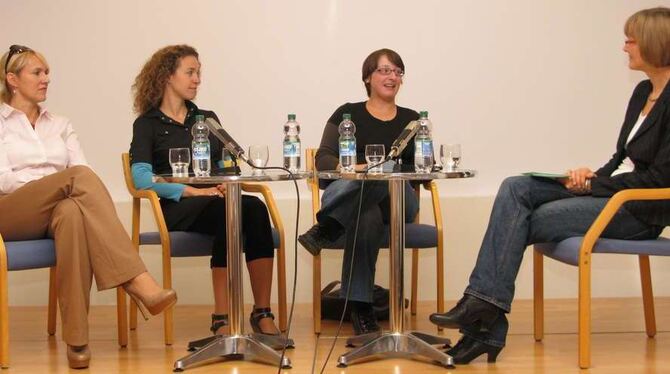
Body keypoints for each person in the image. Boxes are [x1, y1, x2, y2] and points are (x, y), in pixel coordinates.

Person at [429, 7, 670, 364]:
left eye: (630, 40)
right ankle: (484, 312)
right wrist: (590, 176)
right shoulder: (641, 93)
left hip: (640, 209)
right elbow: (620, 157)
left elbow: (660, 179)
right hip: (618, 193)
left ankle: (485, 320)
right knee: (517, 186)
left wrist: (597, 186)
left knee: (524, 220)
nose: (624, 48)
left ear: (655, 42)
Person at [0, 45, 177, 369]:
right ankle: (138, 281)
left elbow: (81, 172)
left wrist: (59, 192)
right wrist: (53, 188)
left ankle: (77, 340)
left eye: (47, 72)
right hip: (10, 209)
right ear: (12, 79)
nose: (46, 79)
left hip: (58, 206)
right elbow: (4, 180)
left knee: (71, 214)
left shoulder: (60, 124)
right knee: (77, 181)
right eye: (37, 73)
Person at [129, 44, 280, 337]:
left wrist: (224, 181)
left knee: (253, 208)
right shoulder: (146, 124)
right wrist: (191, 191)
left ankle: (262, 311)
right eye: (190, 72)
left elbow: (229, 164)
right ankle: (222, 317)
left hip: (216, 200)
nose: (197, 79)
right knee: (230, 213)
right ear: (167, 77)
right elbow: (142, 179)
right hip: (177, 208)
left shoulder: (207, 119)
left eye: (199, 73)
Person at [298, 48, 420, 335]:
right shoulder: (346, 114)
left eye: (397, 72)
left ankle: (327, 226)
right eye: (384, 70)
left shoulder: (413, 120)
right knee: (366, 217)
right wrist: (360, 169)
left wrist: (377, 169)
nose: (392, 77)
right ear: (368, 76)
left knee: (386, 169)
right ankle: (361, 309)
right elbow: (324, 159)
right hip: (352, 198)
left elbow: (420, 168)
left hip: (399, 199)